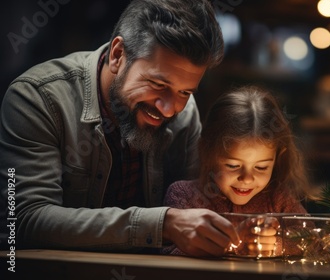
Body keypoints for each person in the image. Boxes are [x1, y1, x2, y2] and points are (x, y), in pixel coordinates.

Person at [0, 0, 239, 257]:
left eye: (185, 91)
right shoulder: (36, 99)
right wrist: (163, 224)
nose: (170, 109)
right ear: (117, 55)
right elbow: (23, 220)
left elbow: (198, 206)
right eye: (158, 84)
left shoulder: (185, 112)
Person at [162, 86, 317, 256]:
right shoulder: (185, 197)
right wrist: (234, 244)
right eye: (233, 166)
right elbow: (170, 253)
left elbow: (310, 239)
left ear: (278, 158)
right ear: (207, 151)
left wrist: (275, 245)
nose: (247, 178)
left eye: (261, 167)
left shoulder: (279, 199)